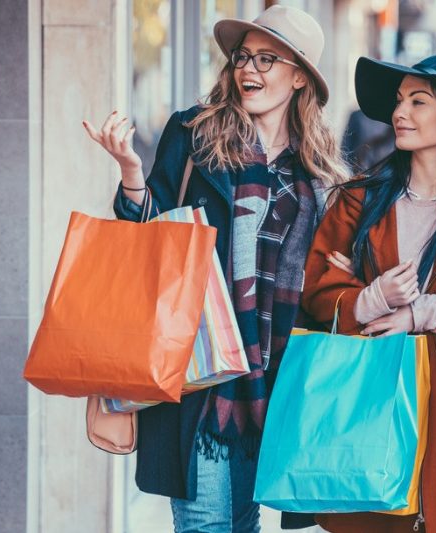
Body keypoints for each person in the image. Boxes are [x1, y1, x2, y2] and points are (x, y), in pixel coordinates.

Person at [82, 5, 348, 531]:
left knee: (244, 524)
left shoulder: (320, 172)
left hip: (276, 382)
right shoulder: (195, 135)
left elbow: (322, 278)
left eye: (267, 59)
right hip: (200, 372)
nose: (249, 69)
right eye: (243, 57)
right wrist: (132, 174)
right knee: (206, 524)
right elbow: (150, 232)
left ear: (300, 77)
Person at [295, 54, 436, 532]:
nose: (399, 113)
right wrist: (372, 297)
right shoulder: (358, 197)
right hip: (364, 398)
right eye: (399, 101)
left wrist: (424, 311)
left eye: (418, 101)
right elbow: (316, 286)